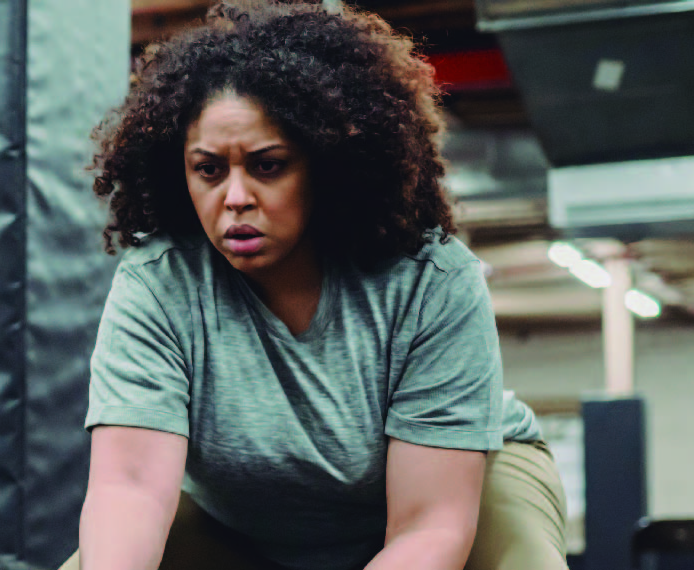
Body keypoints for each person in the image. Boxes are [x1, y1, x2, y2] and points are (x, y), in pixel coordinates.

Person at [68, 3, 567, 570]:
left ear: (328, 165)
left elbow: (429, 527)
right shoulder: (158, 285)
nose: (234, 197)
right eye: (208, 169)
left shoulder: (431, 281)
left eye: (268, 165)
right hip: (245, 518)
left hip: (458, 490)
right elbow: (128, 490)